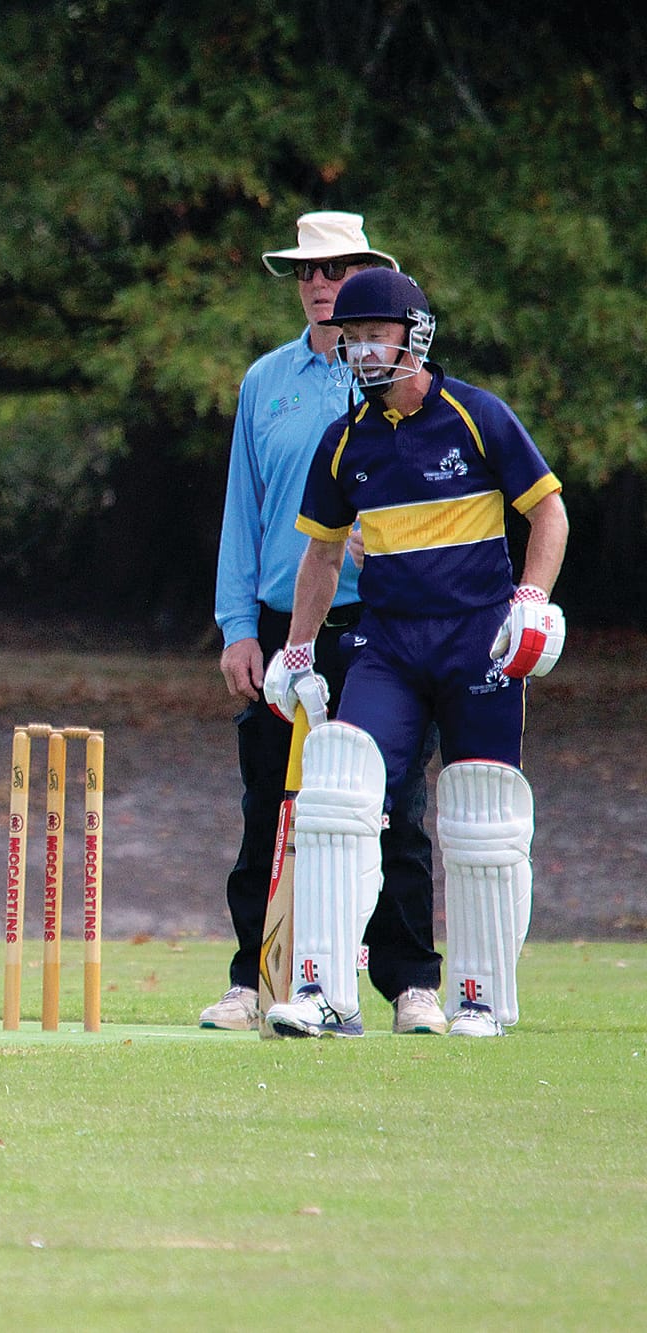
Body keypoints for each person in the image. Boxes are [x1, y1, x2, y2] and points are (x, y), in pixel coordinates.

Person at [263, 267, 567, 1038]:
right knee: (338, 785)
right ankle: (326, 992)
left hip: (479, 643)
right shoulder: (345, 443)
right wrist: (298, 652)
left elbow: (550, 513)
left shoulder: (476, 415)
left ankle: (479, 996)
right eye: (351, 337)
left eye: (376, 334)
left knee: (481, 810)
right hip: (389, 646)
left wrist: (531, 599)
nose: (362, 350)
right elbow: (323, 558)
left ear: (415, 334)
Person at [206, 211, 444, 1035]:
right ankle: (255, 977)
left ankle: (411, 981)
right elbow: (245, 509)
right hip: (284, 621)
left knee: (394, 803)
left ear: (367, 282)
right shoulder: (264, 381)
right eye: (307, 272)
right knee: (269, 801)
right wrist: (239, 626)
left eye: (336, 270)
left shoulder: (397, 381)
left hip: (381, 621)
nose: (318, 284)